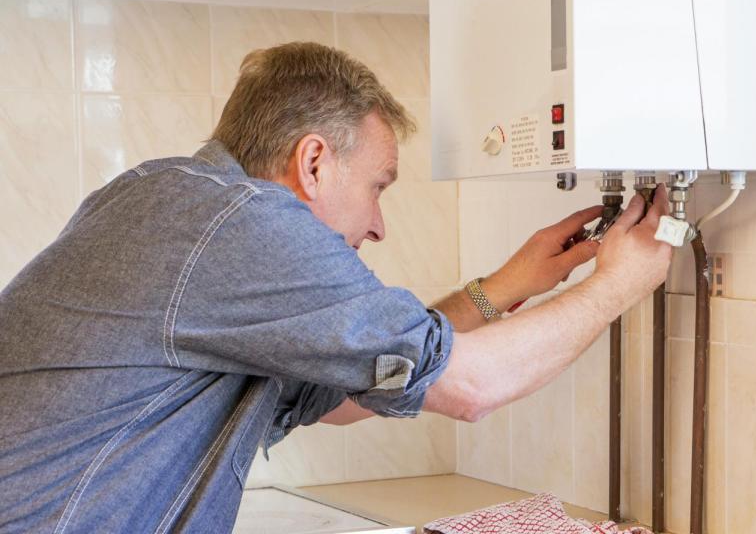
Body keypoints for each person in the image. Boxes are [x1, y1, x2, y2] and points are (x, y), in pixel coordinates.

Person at [0, 42, 671, 532]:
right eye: (379, 186)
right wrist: (619, 284)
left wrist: (501, 288)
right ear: (314, 162)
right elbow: (469, 388)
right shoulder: (237, 223)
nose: (377, 225)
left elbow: (349, 392)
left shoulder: (173, 205)